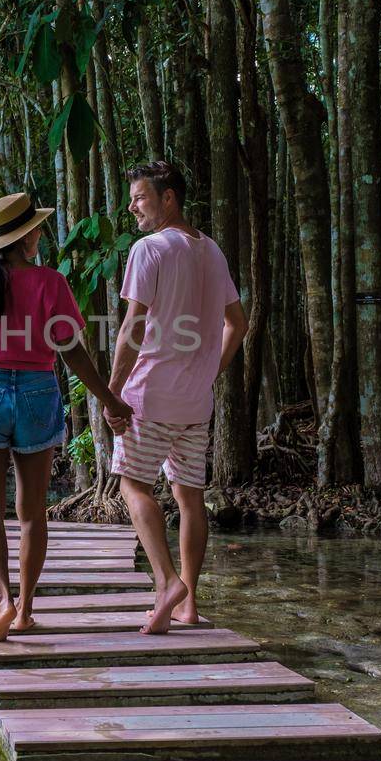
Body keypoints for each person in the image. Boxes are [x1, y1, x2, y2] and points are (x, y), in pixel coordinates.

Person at [0, 191, 132, 642]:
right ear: (24, 239)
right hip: (38, 391)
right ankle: (26, 610)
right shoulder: (51, 283)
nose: (40, 233)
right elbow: (73, 351)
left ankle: (2, 599)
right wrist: (109, 400)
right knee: (32, 512)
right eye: (36, 228)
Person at [108, 161, 248, 634]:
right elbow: (239, 324)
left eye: (141, 198)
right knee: (190, 498)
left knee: (133, 485)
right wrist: (210, 369)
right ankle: (187, 604)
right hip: (195, 401)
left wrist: (112, 391)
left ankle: (167, 582)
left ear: (169, 198)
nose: (133, 207)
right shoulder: (211, 250)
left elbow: (132, 327)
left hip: (150, 394)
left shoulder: (149, 249)